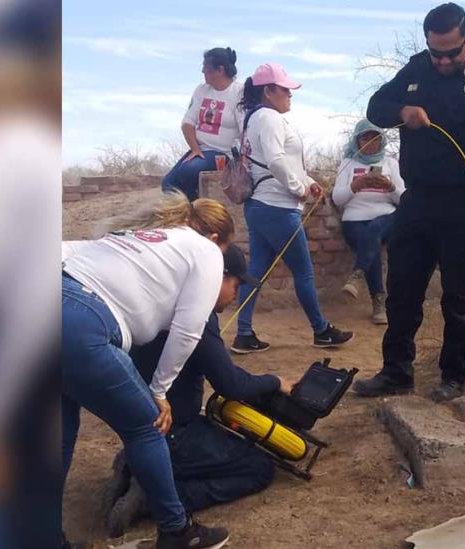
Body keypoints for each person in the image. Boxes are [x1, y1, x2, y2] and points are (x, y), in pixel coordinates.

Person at [353, 2, 465, 402]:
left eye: (452, 52)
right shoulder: (416, 69)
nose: (444, 60)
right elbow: (375, 107)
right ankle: (396, 372)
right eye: (437, 52)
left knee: (458, 296)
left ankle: (453, 377)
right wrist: (403, 109)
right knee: (402, 290)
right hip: (417, 201)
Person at [61, 191, 235, 549]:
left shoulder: (136, 234)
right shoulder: (204, 250)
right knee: (146, 425)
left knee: (59, 432)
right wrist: (159, 390)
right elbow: (189, 329)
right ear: (216, 238)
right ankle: (177, 532)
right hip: (82, 324)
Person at [104, 245, 293, 537]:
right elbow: (231, 385)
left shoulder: (164, 300)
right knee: (258, 468)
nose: (235, 295)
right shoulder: (196, 317)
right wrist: (276, 382)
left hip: (144, 424)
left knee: (217, 436)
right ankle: (156, 498)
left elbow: (223, 373)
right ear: (216, 276)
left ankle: (135, 464)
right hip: (175, 429)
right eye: (235, 284)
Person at [230, 63, 354, 354]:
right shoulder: (270, 118)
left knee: (256, 271)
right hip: (277, 206)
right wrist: (299, 189)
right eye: (285, 89)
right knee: (304, 272)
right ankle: (321, 330)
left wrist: (307, 180)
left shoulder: (254, 119)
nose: (290, 94)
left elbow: (279, 163)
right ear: (268, 91)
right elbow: (275, 161)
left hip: (260, 204)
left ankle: (244, 333)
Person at [331, 119, 405, 324]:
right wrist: (357, 185)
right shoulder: (348, 163)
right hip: (354, 219)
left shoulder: (390, 163)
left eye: (375, 138)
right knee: (368, 238)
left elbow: (403, 199)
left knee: (374, 228)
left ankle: (358, 274)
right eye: (366, 137)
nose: (370, 142)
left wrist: (389, 186)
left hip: (387, 217)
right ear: (357, 140)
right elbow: (337, 199)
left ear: (381, 141)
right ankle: (378, 303)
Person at [162, 47, 244, 200]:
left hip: (223, 152)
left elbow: (245, 129)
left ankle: (195, 209)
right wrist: (195, 148)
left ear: (220, 70)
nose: (202, 71)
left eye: (206, 68)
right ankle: (188, 208)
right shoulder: (202, 90)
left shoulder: (239, 93)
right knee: (168, 184)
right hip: (201, 149)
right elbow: (187, 123)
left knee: (188, 171)